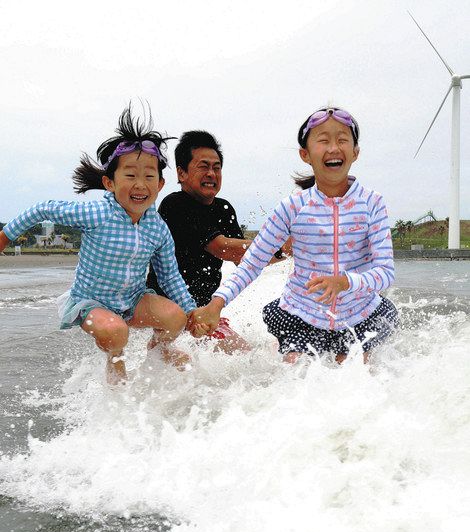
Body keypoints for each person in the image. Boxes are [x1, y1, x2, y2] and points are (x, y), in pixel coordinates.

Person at [0, 106, 198, 384]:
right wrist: (5, 237)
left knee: (174, 318)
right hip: (90, 304)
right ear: (109, 182)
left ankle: (162, 349)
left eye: (149, 176)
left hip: (132, 301)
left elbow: (169, 275)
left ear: (161, 183)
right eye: (130, 175)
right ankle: (115, 361)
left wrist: (191, 311)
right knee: (117, 333)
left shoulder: (158, 227)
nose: (140, 184)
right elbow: (42, 209)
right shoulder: (97, 214)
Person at [189, 106, 398, 363]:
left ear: (355, 152)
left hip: (360, 313)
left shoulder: (372, 203)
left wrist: (344, 282)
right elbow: (252, 262)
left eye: (342, 139)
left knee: (357, 375)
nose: (333, 147)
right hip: (302, 314)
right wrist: (216, 304)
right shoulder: (292, 207)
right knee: (296, 373)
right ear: (305, 155)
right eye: (323, 140)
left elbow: (385, 272)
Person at [146, 130, 287, 353]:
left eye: (217, 167)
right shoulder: (174, 205)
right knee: (180, 366)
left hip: (204, 312)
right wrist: (283, 245)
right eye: (203, 167)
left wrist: (292, 249)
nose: (211, 173)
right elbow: (223, 248)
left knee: (245, 355)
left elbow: (247, 259)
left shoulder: (223, 208)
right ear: (181, 173)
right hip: (169, 310)